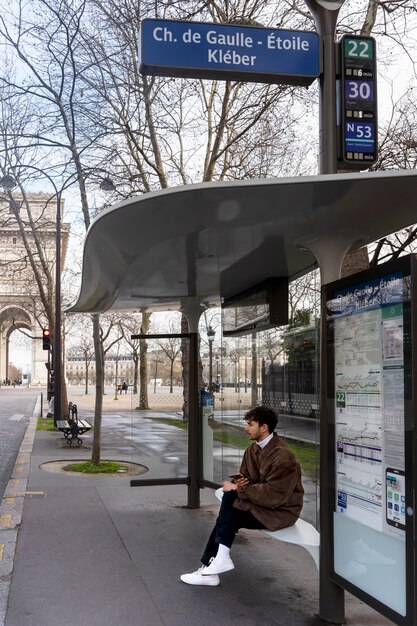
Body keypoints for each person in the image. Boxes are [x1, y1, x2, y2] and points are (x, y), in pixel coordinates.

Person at [180, 405, 304, 586]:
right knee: (228, 512)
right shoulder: (252, 450)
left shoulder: (284, 457)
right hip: (262, 506)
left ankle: (211, 568)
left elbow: (275, 495)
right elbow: (247, 479)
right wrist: (239, 484)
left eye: (251, 424)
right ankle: (215, 565)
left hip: (281, 512)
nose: (246, 428)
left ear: (264, 427)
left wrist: (238, 489)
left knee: (229, 508)